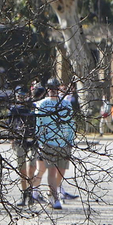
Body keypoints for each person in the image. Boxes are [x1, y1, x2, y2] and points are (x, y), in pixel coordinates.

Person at [33, 79, 76, 209]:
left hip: (64, 142)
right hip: (49, 142)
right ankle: (55, 198)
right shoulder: (42, 104)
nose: (53, 90)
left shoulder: (66, 104)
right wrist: (41, 141)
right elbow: (39, 124)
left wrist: (71, 140)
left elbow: (71, 123)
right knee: (51, 170)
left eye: (55, 88)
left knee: (61, 171)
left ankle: (52, 192)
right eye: (50, 88)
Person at [4, 87, 37, 204]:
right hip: (19, 140)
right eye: (19, 96)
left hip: (32, 140)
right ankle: (24, 194)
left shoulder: (32, 107)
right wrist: (11, 139)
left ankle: (31, 191)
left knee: (32, 167)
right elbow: (10, 125)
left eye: (23, 96)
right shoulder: (13, 110)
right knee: (21, 168)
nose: (21, 99)